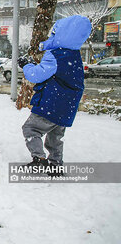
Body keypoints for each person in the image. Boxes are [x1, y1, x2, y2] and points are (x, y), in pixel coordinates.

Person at [17, 15, 91, 174]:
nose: (52, 36)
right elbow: (57, 74)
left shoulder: (56, 54)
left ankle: (39, 159)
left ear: (61, 35)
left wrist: (27, 65)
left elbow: (37, 75)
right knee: (55, 137)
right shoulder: (74, 56)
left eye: (54, 33)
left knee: (30, 129)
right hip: (67, 106)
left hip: (51, 103)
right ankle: (55, 165)